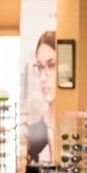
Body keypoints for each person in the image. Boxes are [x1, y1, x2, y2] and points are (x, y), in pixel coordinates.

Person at [27, 30, 56, 163]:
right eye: (40, 67)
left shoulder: (80, 131)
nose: (43, 77)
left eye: (51, 66)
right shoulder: (32, 136)